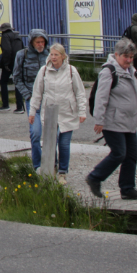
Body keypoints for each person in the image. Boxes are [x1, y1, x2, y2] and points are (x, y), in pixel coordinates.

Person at [85, 38, 137, 200]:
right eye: (125, 56)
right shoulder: (109, 71)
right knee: (119, 153)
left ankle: (127, 188)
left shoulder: (130, 71)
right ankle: (95, 177)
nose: (128, 60)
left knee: (132, 154)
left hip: (129, 122)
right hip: (112, 121)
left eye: (131, 57)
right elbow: (101, 97)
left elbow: (134, 94)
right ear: (116, 55)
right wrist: (99, 120)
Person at [29, 44, 86, 184]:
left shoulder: (71, 71)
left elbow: (80, 92)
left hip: (67, 112)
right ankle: (51, 168)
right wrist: (32, 111)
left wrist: (82, 111)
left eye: (56, 55)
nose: (53, 57)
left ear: (63, 56)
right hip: (50, 112)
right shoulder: (44, 71)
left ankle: (62, 172)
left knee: (64, 144)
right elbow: (37, 93)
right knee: (50, 142)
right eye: (52, 55)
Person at [12, 29, 50, 169]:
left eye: (42, 42)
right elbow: (16, 77)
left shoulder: (51, 54)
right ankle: (38, 166)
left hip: (50, 100)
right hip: (32, 99)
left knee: (53, 133)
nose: (40, 44)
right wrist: (27, 95)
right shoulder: (22, 55)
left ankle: (53, 163)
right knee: (35, 133)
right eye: (37, 42)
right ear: (32, 42)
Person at [0, 22, 24, 112]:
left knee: (3, 82)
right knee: (17, 83)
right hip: (18, 62)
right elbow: (23, 49)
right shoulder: (17, 36)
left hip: (10, 63)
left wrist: (6, 64)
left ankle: (5, 105)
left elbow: (7, 50)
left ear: (3, 30)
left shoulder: (5, 36)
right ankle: (20, 107)